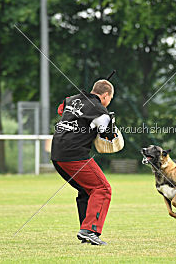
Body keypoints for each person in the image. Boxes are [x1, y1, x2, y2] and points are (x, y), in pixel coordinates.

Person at [51, 79, 114, 246]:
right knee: (103, 188)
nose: (108, 103)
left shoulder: (71, 100)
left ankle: (85, 231)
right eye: (110, 100)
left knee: (87, 190)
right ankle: (90, 230)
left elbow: (60, 110)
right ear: (105, 95)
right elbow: (106, 134)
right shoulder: (101, 111)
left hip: (57, 154)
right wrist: (110, 125)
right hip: (74, 155)